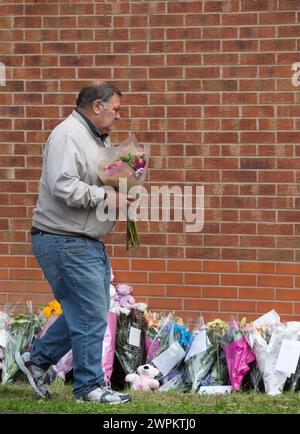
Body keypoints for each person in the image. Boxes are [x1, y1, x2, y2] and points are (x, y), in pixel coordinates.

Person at [15, 82, 134, 404]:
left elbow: (89, 177)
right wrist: (107, 195)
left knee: (85, 312)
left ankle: (36, 360)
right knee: (91, 313)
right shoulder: (68, 135)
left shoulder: (95, 138)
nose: (118, 117)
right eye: (116, 109)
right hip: (65, 239)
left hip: (81, 239)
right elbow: (62, 185)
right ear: (97, 106)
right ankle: (89, 387)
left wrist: (123, 175)